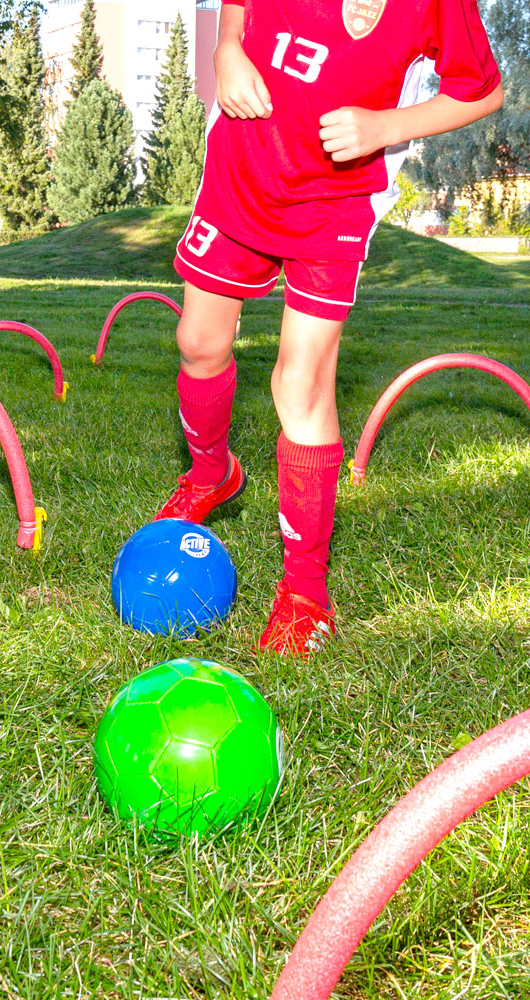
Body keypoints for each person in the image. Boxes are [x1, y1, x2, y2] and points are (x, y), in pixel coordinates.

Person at [159, 0, 502, 656]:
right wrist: (226, 50)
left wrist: (385, 125)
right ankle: (210, 474)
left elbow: (481, 92)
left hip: (337, 197)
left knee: (300, 387)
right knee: (198, 344)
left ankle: (306, 594)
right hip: (241, 168)